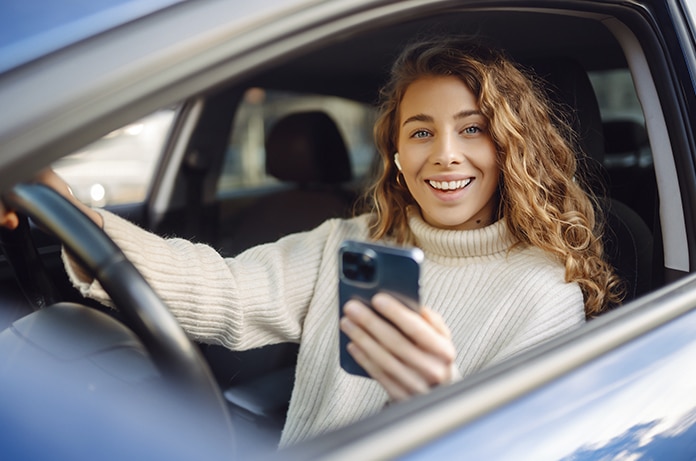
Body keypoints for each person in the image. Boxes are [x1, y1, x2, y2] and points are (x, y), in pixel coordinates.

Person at [0, 36, 622, 447]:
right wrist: (72, 209)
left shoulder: (544, 290)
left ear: (507, 147)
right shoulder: (350, 242)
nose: (446, 154)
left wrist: (439, 405)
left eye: (473, 129)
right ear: (398, 155)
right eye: (421, 131)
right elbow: (224, 290)